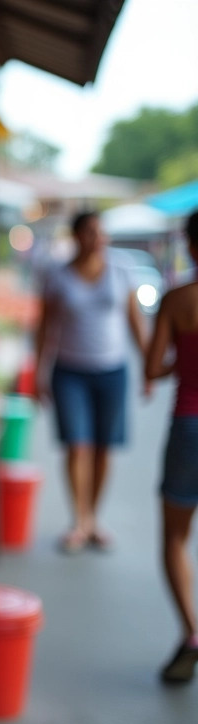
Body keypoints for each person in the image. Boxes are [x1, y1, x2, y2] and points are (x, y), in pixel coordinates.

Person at [34, 211, 149, 552]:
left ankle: (94, 517)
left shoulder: (121, 269)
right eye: (90, 232)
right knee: (76, 445)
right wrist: (40, 371)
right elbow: (45, 327)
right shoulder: (57, 275)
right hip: (69, 372)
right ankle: (79, 520)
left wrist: (149, 366)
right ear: (76, 236)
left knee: (103, 447)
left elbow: (135, 321)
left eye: (101, 232)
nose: (97, 238)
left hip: (112, 371)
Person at [144, 210, 198, 683]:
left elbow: (152, 367)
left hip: (189, 427)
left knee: (175, 539)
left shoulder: (178, 299)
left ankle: (191, 632)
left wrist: (182, 362)